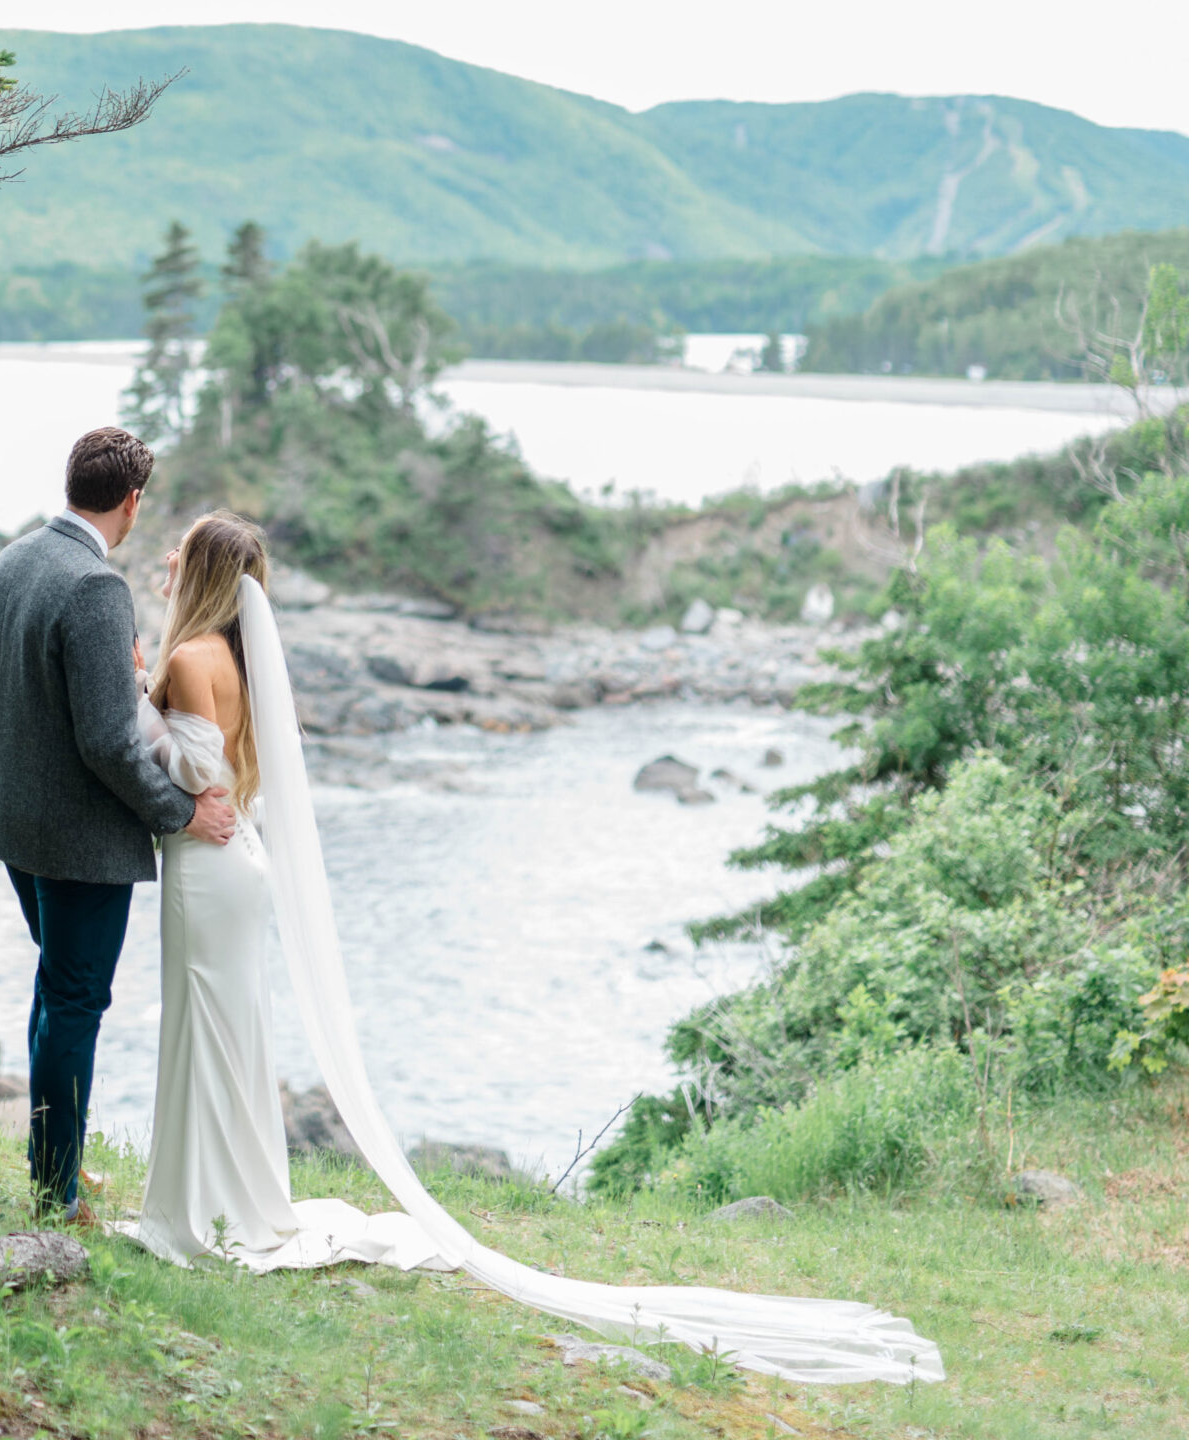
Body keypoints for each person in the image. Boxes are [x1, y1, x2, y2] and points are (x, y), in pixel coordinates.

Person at [127, 508, 947, 1391]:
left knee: (206, 1029)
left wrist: (141, 707)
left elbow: (195, 780)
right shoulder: (244, 662)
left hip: (207, 865)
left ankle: (203, 1211)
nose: (166, 561)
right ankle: (227, 1199)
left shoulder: (187, 660)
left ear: (204, 571)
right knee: (232, 1032)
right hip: (238, 865)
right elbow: (227, 766)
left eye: (179, 553)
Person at [0, 425, 234, 1220]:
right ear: (132, 502)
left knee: (56, 996)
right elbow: (109, 740)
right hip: (79, 843)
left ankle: (53, 1167)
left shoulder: (11, 559)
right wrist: (182, 812)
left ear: (75, 483)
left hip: (16, 826)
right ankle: (55, 1193)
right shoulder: (97, 587)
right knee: (74, 1006)